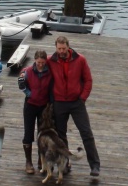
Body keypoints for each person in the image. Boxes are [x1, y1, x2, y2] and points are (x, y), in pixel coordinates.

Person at [47, 35, 102, 177]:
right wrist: (24, 73)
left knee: (86, 133)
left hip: (76, 102)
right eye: (59, 49)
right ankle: (64, 164)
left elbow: (88, 80)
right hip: (59, 102)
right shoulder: (51, 60)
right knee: (60, 135)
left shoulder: (80, 60)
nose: (61, 51)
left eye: (63, 48)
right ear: (56, 48)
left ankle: (95, 165)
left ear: (68, 47)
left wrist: (82, 98)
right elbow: (36, 66)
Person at [17, 49, 52, 174]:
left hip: (43, 106)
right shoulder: (27, 72)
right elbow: (20, 84)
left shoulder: (49, 72)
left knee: (42, 134)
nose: (41, 65)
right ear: (35, 61)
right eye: (38, 63)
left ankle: (40, 159)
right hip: (30, 105)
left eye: (43, 62)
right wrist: (29, 94)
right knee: (28, 134)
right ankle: (28, 162)